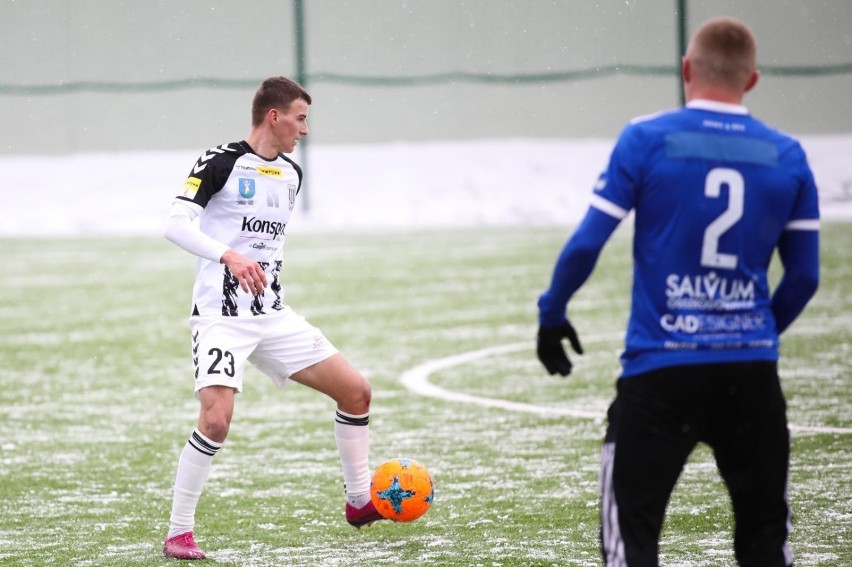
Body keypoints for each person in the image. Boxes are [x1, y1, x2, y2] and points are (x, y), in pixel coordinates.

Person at [536, 17, 819, 567]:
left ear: (686, 69)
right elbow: (805, 277)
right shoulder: (787, 154)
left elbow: (587, 242)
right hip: (751, 377)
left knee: (632, 543)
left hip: (659, 375)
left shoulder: (647, 138)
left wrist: (552, 312)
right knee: (764, 542)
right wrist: (752, 330)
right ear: (752, 80)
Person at [161, 76, 384, 560]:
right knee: (216, 422)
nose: (305, 130)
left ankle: (360, 501)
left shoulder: (291, 175)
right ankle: (179, 532)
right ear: (274, 116)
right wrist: (229, 257)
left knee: (357, 391)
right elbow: (174, 224)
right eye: (301, 119)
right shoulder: (220, 162)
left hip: (272, 316)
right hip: (221, 318)